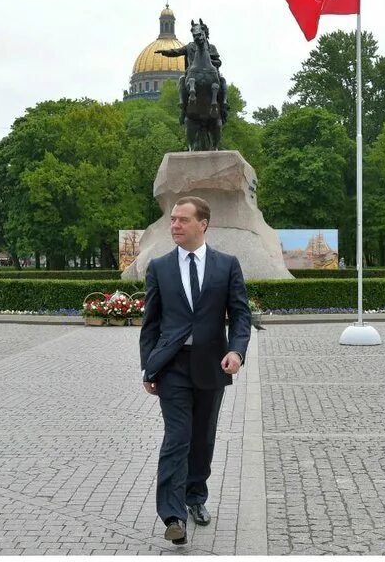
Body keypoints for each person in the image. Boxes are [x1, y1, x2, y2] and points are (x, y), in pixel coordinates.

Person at [140, 196, 250, 545]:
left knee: (202, 438)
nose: (174, 225)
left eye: (182, 220)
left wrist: (236, 350)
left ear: (203, 224)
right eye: (173, 219)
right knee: (177, 438)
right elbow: (150, 324)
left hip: (211, 365)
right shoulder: (159, 267)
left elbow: (241, 314)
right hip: (172, 366)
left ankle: (195, 497)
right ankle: (173, 516)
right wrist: (149, 367)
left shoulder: (226, 265)